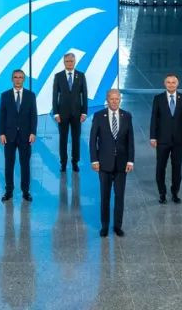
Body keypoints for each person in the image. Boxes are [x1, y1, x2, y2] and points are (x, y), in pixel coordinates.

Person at [91, 89, 134, 237]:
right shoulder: (98, 116)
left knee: (119, 196)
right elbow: (93, 140)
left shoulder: (126, 116)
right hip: (104, 163)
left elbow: (130, 140)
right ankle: (104, 226)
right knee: (105, 196)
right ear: (107, 99)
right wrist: (94, 160)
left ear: (120, 99)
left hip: (122, 164)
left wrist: (130, 160)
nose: (115, 102)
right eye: (112, 99)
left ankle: (117, 226)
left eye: (117, 99)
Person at [149, 74, 182, 203]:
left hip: (179, 139)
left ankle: (175, 193)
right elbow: (154, 118)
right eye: (168, 82)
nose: (171, 84)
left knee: (177, 167)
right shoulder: (158, 99)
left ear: (177, 84)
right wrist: (153, 137)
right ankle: (162, 193)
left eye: (173, 82)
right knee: (160, 167)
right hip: (162, 139)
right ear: (164, 84)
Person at [0, 69, 37, 201]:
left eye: (20, 77)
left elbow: (33, 115)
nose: (18, 79)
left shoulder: (30, 95)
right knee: (9, 165)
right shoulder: (5, 95)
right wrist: (1, 133)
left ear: (24, 79)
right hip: (9, 136)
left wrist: (33, 132)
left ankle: (26, 191)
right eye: (15, 77)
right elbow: (2, 115)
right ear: (12, 79)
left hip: (25, 136)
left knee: (25, 165)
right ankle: (8, 191)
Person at [52, 53, 88, 173]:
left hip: (77, 114)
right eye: (67, 61)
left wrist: (84, 112)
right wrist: (56, 113)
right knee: (63, 139)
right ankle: (63, 163)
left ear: (75, 61)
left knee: (76, 139)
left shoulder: (81, 75)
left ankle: (75, 162)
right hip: (62, 114)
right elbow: (55, 95)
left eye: (71, 61)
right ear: (64, 62)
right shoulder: (58, 76)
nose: (69, 63)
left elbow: (84, 95)